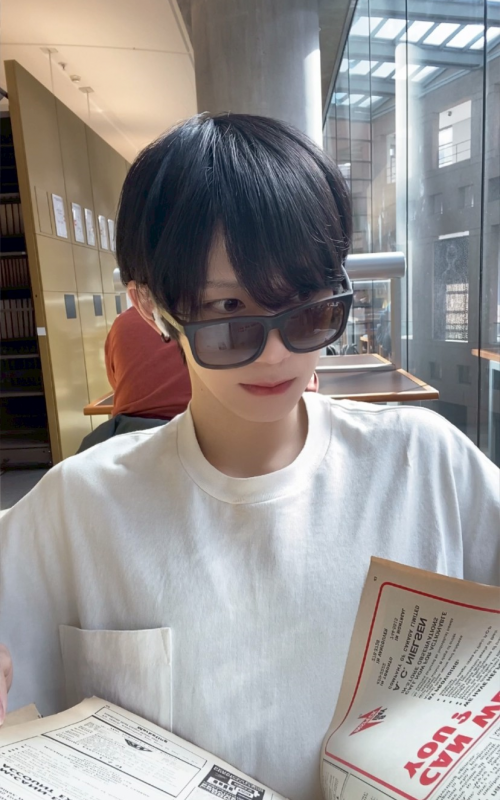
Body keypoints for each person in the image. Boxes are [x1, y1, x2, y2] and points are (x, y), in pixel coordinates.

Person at [0, 114, 498, 800]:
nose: (276, 354)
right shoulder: (78, 507)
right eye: (228, 311)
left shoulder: (425, 465)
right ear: (149, 307)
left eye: (306, 309)